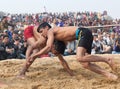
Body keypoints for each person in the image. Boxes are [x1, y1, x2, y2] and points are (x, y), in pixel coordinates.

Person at [28, 22, 118, 80]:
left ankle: (107, 60)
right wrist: (71, 73)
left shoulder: (51, 31)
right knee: (85, 64)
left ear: (46, 28)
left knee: (79, 57)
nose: (41, 34)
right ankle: (109, 75)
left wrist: (34, 55)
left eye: (41, 31)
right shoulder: (56, 36)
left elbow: (48, 47)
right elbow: (61, 58)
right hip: (83, 34)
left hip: (82, 33)